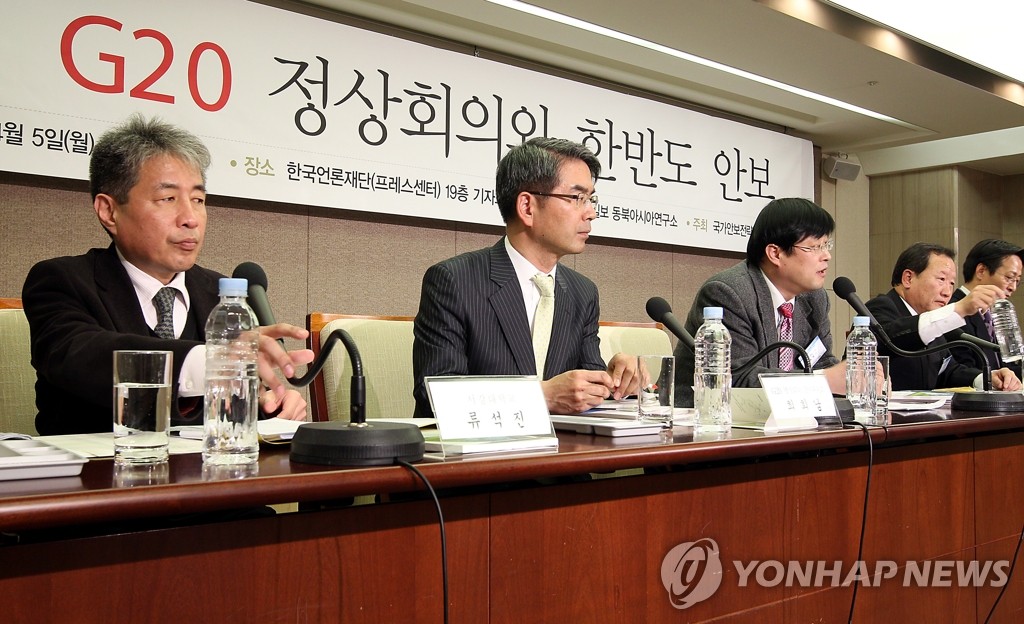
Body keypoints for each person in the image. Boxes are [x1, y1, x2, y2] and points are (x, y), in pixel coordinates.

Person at [23, 114, 312, 435]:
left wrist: (270, 404)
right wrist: (212, 361)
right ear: (109, 211)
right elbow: (82, 356)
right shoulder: (61, 281)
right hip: (99, 464)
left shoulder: (221, 295)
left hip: (206, 466)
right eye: (168, 199)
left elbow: (230, 406)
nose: (190, 218)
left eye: (198, 200)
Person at [412, 137, 639, 418]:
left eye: (591, 199)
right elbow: (436, 394)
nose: (591, 213)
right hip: (484, 444)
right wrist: (541, 396)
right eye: (576, 198)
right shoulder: (454, 281)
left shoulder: (582, 292)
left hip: (565, 444)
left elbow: (584, 392)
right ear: (527, 207)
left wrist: (615, 381)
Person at [673, 197, 846, 407]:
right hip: (704, 415)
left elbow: (821, 362)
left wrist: (852, 378)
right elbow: (738, 379)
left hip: (782, 416)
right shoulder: (728, 293)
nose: (826, 256)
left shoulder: (815, 299)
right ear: (775, 253)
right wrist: (822, 381)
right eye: (814, 247)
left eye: (826, 245)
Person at [865, 242, 1021, 391]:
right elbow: (893, 339)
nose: (947, 292)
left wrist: (987, 378)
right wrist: (959, 309)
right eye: (941, 279)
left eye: (951, 283)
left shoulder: (931, 319)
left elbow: (948, 372)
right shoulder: (879, 307)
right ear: (908, 278)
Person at [943, 239, 1024, 377]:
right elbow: (960, 371)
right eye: (1009, 277)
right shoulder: (952, 312)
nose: (1013, 287)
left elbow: (1008, 366)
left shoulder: (996, 313)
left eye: (1017, 281)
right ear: (981, 271)